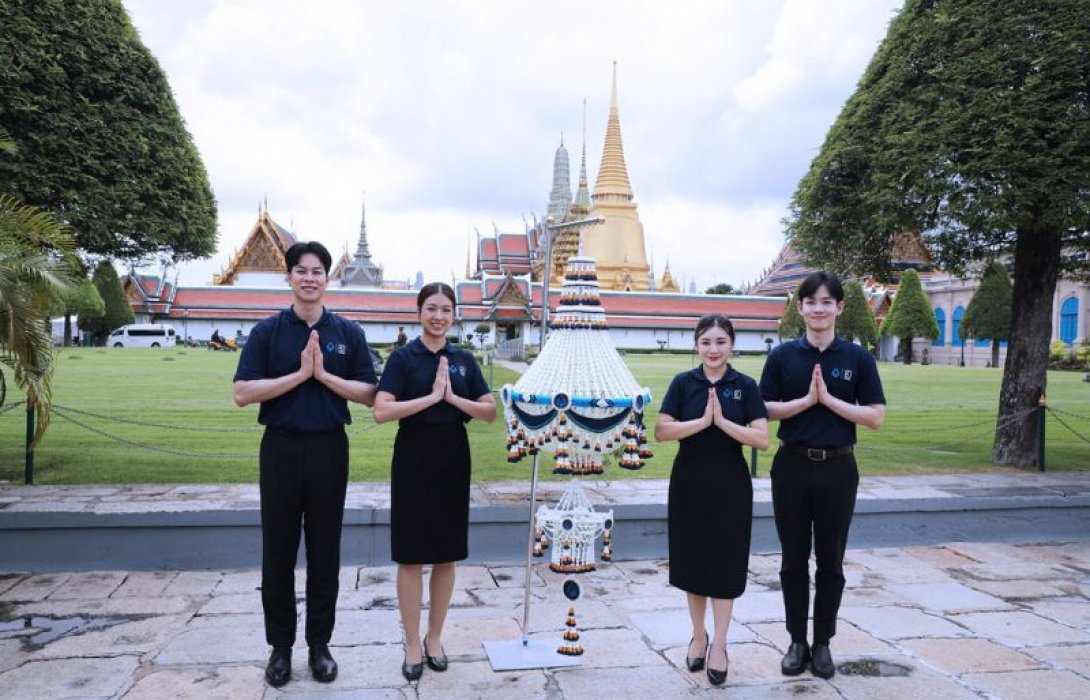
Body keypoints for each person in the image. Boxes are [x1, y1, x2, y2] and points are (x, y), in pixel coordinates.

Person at [232, 241, 377, 688]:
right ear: (289, 277)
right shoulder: (268, 332)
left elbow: (370, 394)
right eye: (301, 270)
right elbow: (242, 393)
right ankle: (280, 647)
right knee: (277, 550)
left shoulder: (347, 333)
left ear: (328, 279)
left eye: (317, 272)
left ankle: (319, 645)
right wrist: (298, 375)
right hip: (280, 448)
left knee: (325, 551)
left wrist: (324, 375)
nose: (309, 278)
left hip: (329, 449)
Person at [759, 271, 886, 680]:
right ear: (799, 308)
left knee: (831, 560)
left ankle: (824, 642)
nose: (819, 309)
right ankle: (797, 641)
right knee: (793, 559)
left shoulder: (857, 358)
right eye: (811, 302)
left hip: (838, 467)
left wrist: (829, 400)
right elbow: (763, 409)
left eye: (826, 302)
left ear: (840, 308)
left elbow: (875, 417)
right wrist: (805, 401)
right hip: (792, 465)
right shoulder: (782, 357)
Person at [372, 282, 496, 682]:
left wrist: (452, 398)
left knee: (446, 554)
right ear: (419, 312)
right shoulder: (403, 358)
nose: (438, 316)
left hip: (452, 457)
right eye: (431, 308)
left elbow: (489, 411)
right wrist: (430, 398)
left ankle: (435, 638)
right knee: (410, 556)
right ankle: (411, 642)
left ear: (453, 315)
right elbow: (381, 411)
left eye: (445, 309)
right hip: (413, 456)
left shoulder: (463, 360)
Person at [654, 314, 769, 686]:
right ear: (696, 345)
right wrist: (702, 422)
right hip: (689, 482)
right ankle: (698, 636)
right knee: (693, 562)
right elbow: (661, 431)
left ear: (732, 344)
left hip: (730, 484)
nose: (713, 349)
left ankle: (720, 644)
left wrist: (722, 423)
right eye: (706, 342)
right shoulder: (683, 383)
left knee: (724, 564)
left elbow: (761, 439)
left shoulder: (745, 386)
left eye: (720, 342)